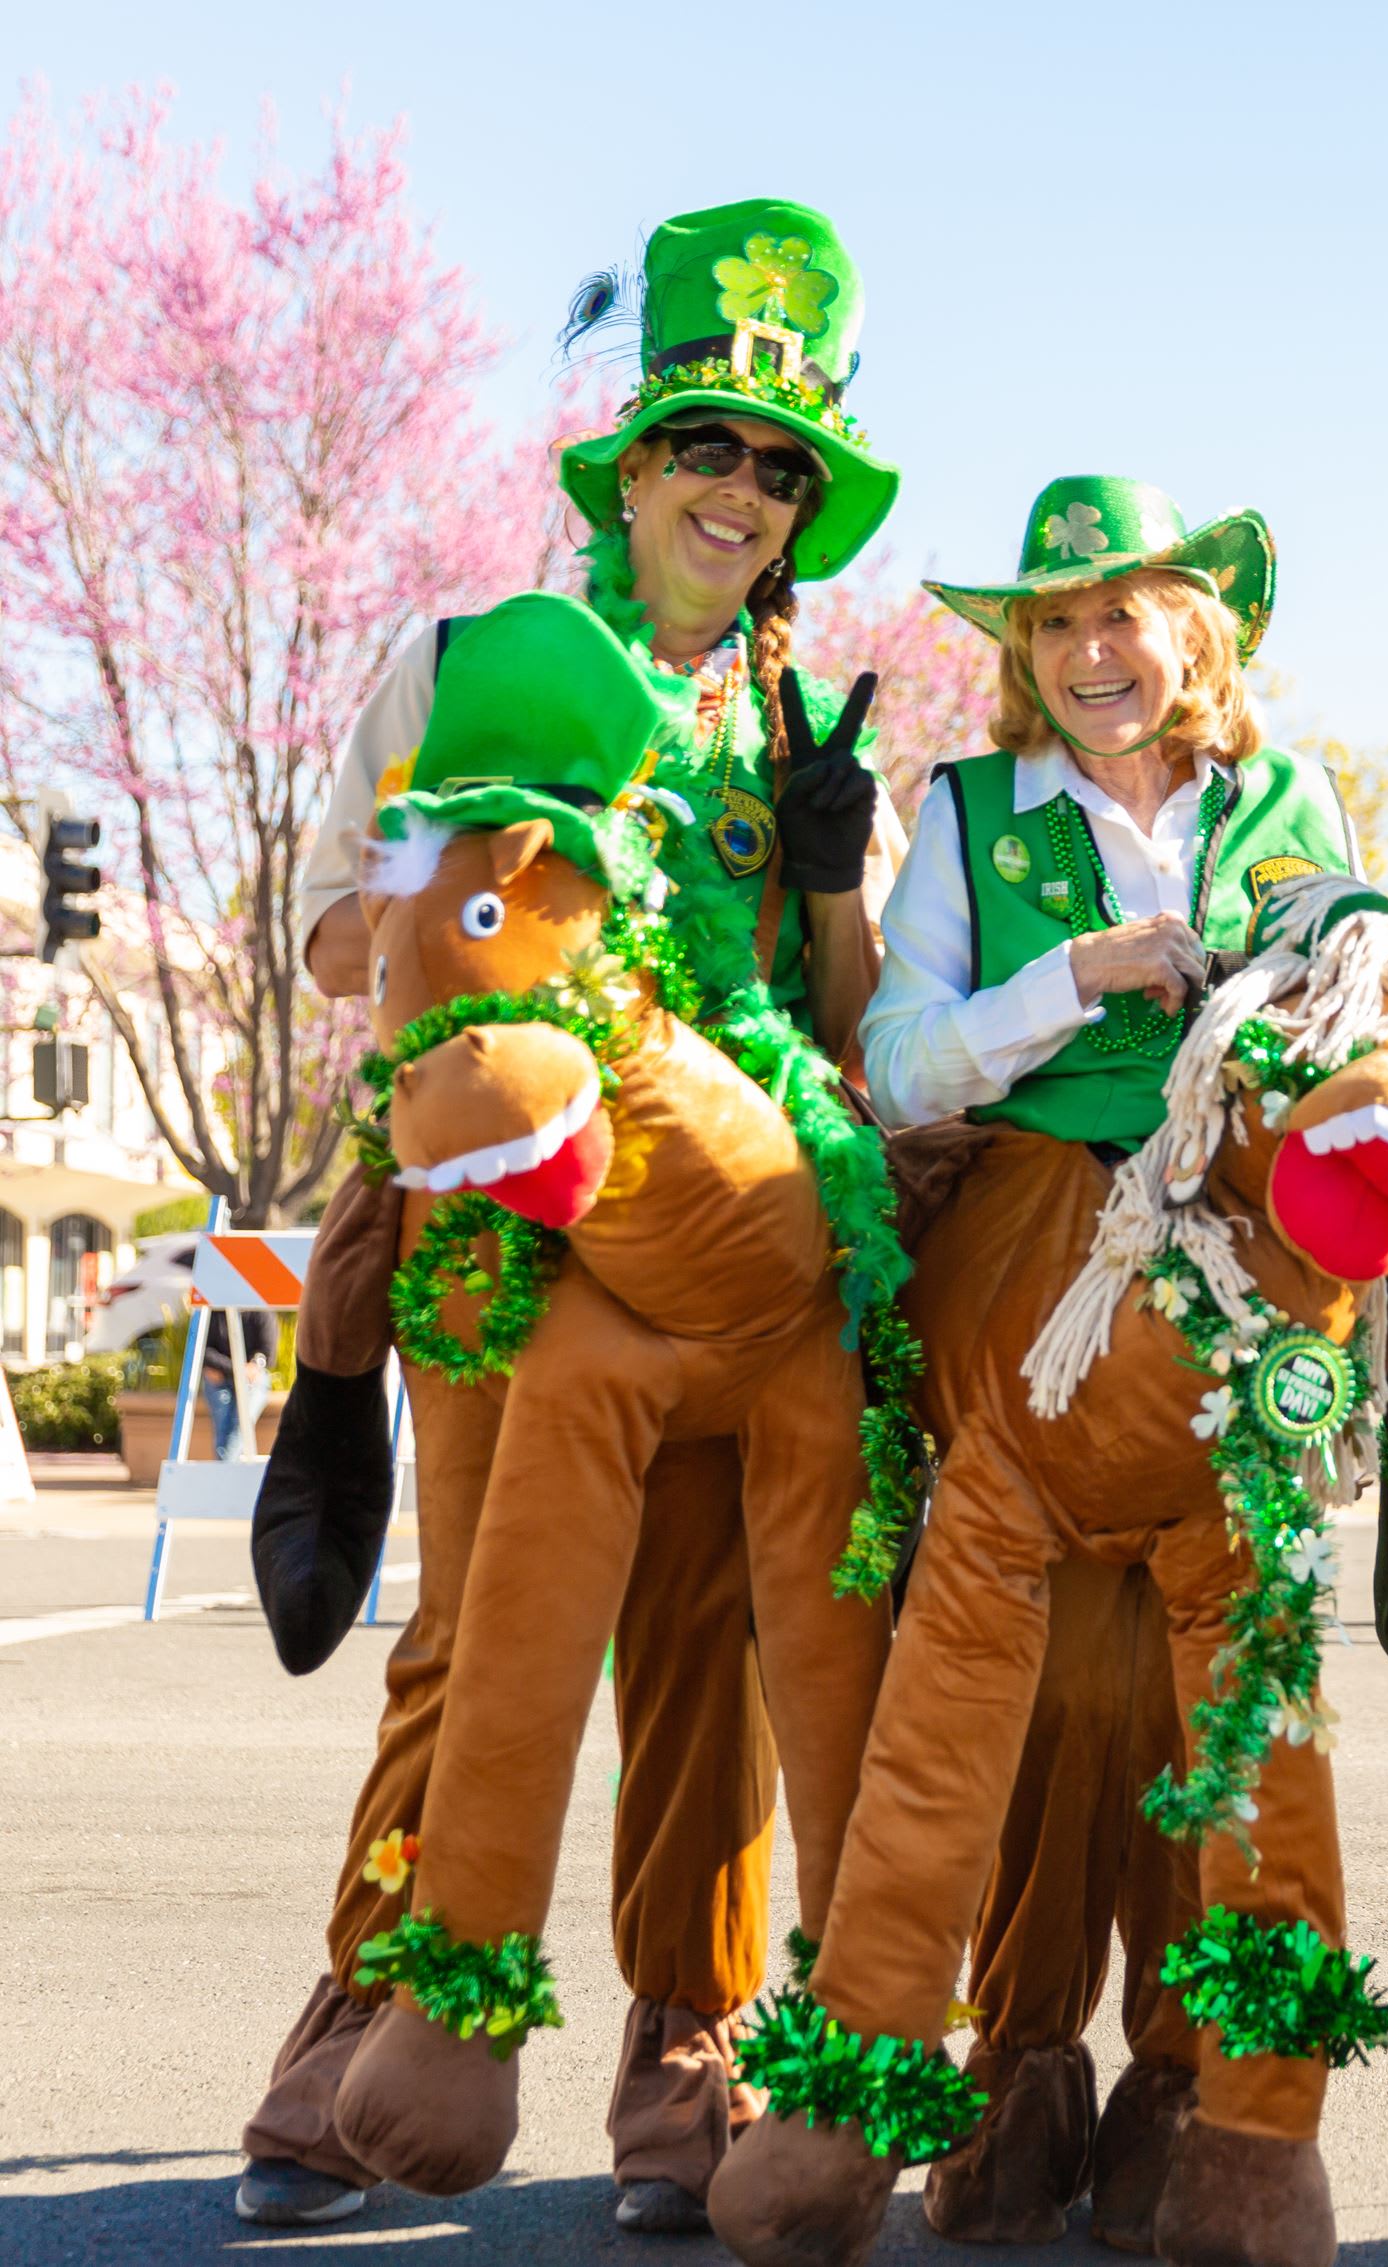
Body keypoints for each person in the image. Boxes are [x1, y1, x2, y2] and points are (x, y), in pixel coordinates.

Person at [237, 196, 906, 2238]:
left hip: (716, 1236)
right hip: (497, 1217)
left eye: (782, 469)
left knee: (700, 1650)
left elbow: (848, 1029)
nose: (742, 490)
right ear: (628, 467)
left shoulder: (812, 734)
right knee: (470, 1641)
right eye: (705, 445)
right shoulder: (464, 661)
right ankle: (361, 2035)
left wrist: (839, 874)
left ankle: (683, 2063)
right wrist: (475, 895)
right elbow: (335, 928)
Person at [819, 475, 1388, 2250]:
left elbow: (1356, 979)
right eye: (1051, 622)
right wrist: (1070, 976)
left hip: (1238, 1265)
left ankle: (1204, 2085)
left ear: (1199, 631)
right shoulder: (971, 812)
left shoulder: (1291, 804)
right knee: (1047, 1700)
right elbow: (900, 1065)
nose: (1086, 649)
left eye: (1122, 610)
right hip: (1040, 1269)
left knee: (1222, 1700)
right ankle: (1017, 2057)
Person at [200, 1304, 279, 1460]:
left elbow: (267, 1354)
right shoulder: (215, 1313)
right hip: (221, 1379)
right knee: (223, 1424)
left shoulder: (261, 1312)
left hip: (251, 1379)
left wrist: (251, 1368)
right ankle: (227, 1470)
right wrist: (238, 1369)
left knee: (241, 1424)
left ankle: (224, 1469)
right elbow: (204, 1351)